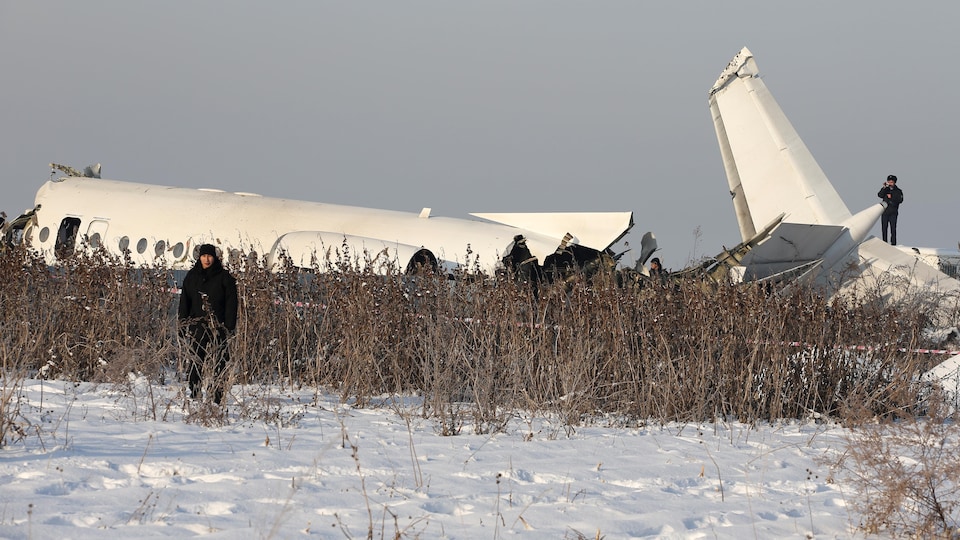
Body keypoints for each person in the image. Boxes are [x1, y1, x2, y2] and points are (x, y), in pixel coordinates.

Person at [178, 244, 238, 404]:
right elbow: (184, 302)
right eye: (204, 256)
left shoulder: (225, 278)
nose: (206, 259)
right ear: (199, 257)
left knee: (221, 360)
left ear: (214, 257)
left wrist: (229, 326)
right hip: (197, 325)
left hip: (219, 326)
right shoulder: (192, 276)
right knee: (197, 360)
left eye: (209, 256)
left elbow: (232, 303)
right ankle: (195, 392)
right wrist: (183, 324)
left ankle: (218, 394)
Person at [877, 174, 904, 245]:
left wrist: (891, 197)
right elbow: (880, 195)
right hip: (885, 212)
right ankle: (884, 243)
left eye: (891, 182)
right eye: (889, 182)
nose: (890, 183)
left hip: (893, 212)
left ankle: (893, 243)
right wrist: (884, 188)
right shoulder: (886, 189)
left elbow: (900, 200)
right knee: (884, 228)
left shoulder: (898, 191)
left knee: (893, 228)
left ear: (894, 182)